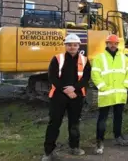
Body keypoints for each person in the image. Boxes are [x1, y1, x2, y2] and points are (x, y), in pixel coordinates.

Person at [42, 33, 91, 161]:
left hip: (77, 96)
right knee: (54, 123)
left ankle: (74, 147)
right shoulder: (57, 59)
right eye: (69, 45)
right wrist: (67, 90)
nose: (72, 47)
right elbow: (52, 77)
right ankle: (48, 152)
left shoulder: (85, 60)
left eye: (75, 45)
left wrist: (74, 88)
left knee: (74, 123)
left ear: (79, 46)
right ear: (65, 45)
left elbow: (86, 78)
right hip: (59, 96)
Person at [91, 34, 128, 154]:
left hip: (119, 93)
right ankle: (99, 142)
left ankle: (118, 137)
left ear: (117, 45)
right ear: (107, 44)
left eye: (115, 43)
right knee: (102, 119)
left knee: (118, 117)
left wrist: (126, 85)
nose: (113, 45)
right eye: (111, 43)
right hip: (106, 94)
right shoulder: (99, 58)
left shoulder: (124, 58)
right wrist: (102, 87)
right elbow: (95, 74)